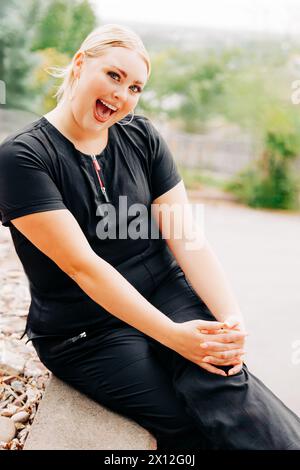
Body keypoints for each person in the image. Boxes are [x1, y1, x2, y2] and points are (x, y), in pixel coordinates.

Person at [0, 23, 299, 450]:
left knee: (224, 383)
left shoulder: (141, 137)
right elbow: (82, 268)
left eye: (135, 87)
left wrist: (232, 321)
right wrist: (174, 336)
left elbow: (186, 236)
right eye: (114, 76)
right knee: (187, 423)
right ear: (80, 64)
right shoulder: (22, 158)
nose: (122, 95)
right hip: (85, 329)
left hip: (164, 289)